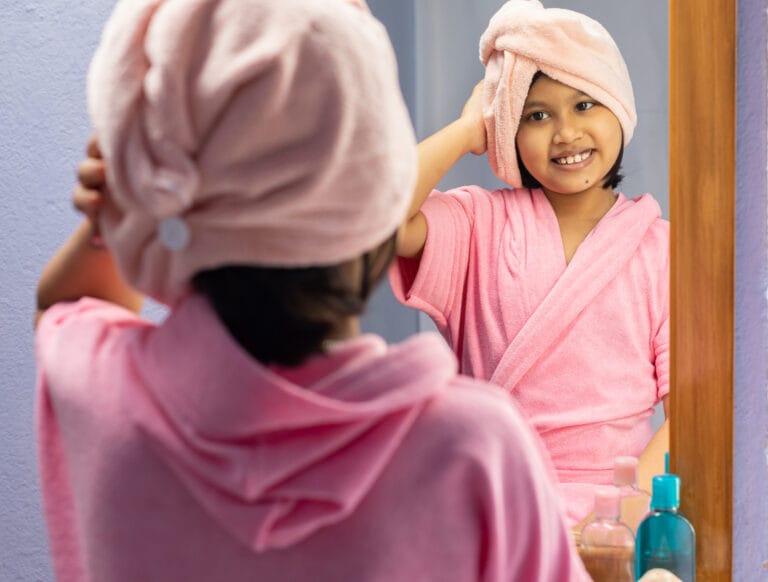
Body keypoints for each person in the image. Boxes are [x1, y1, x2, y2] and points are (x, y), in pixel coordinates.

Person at [34, 0, 591, 580]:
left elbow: (67, 308)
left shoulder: (107, 396)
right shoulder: (475, 452)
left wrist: (125, 206)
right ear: (379, 203)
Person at [391, 0, 670, 528]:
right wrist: (468, 129)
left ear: (619, 106)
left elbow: (687, 419)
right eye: (536, 115)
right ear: (509, 133)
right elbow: (377, 215)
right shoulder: (476, 224)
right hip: (489, 505)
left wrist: (617, 520)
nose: (566, 133)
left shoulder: (659, 250)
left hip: (612, 522)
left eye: (585, 104)